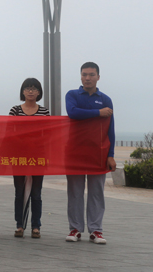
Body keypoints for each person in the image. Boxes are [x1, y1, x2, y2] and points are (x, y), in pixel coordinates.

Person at [65, 62, 115, 245]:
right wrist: (98, 112)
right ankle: (75, 229)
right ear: (80, 76)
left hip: (98, 153)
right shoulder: (72, 95)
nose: (87, 78)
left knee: (96, 193)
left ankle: (96, 230)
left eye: (91, 74)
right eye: (84, 74)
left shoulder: (106, 99)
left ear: (98, 77)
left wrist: (111, 154)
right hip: (75, 152)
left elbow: (111, 129)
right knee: (75, 193)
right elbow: (73, 113)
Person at [9, 78, 50, 239]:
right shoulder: (15, 110)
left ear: (39, 92)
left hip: (38, 158)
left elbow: (48, 135)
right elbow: (9, 133)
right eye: (27, 88)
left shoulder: (44, 112)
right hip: (19, 158)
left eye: (34, 88)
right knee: (19, 193)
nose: (31, 91)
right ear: (23, 91)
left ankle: (36, 226)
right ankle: (19, 225)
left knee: (36, 194)